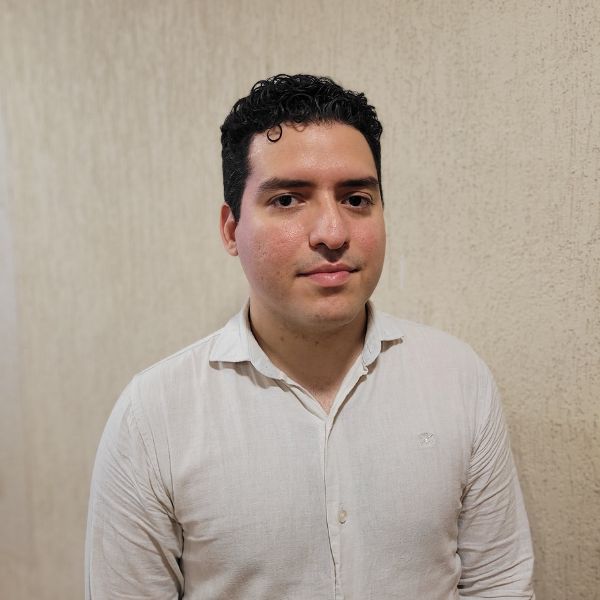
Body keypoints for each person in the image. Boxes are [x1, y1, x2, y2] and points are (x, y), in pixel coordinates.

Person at [85, 74, 535, 599]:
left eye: (357, 199)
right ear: (231, 230)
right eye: (287, 200)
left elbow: (500, 584)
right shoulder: (154, 416)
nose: (333, 233)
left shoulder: (457, 378)